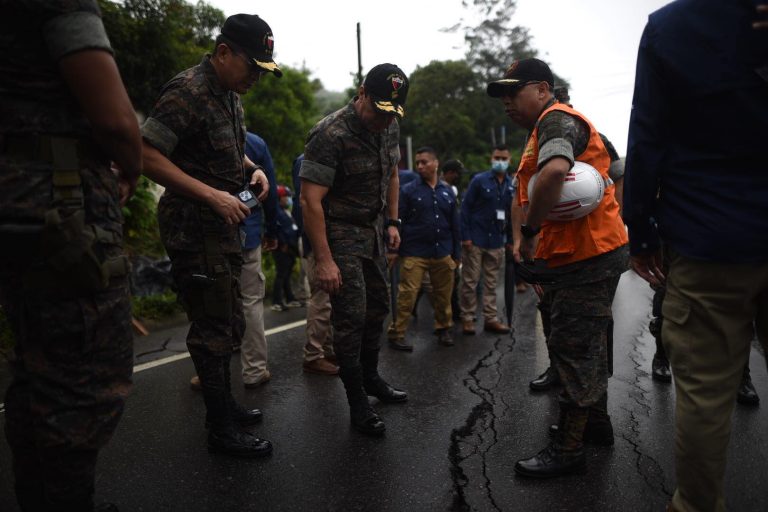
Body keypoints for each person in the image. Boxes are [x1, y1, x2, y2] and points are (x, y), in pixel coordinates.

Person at [624, 2, 768, 509]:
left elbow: (647, 136)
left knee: (705, 397)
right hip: (713, 232)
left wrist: (640, 231)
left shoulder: (674, 25)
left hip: (710, 237)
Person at [0, 1, 142, 509]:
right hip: (60, 210)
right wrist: (131, 166)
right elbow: (117, 122)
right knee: (84, 380)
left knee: (36, 364)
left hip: (19, 204)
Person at [140, 13, 280, 458]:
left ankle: (225, 405)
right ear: (224, 53)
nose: (256, 77)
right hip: (194, 226)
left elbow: (223, 145)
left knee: (230, 320)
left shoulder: (228, 94)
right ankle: (220, 428)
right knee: (213, 327)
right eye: (252, 66)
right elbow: (145, 154)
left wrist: (251, 168)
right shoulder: (188, 90)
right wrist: (213, 196)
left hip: (222, 228)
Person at [488, 58, 628, 478]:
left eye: (515, 92)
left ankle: (569, 448)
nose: (507, 102)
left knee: (573, 348)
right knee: (586, 343)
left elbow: (552, 174)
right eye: (504, 96)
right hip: (580, 256)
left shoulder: (556, 122)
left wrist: (529, 234)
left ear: (544, 89)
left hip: (587, 258)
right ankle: (595, 426)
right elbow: (530, 189)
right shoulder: (541, 129)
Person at [300, 63, 409, 436]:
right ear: (362, 92)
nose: (383, 120)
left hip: (374, 231)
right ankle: (357, 403)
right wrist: (325, 260)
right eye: (378, 110)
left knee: (379, 306)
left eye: (390, 112)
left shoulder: (390, 124)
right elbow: (310, 201)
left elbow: (393, 172)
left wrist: (393, 222)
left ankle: (371, 377)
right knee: (351, 318)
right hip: (339, 232)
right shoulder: (330, 133)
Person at [529, 87, 626, 391]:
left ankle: (593, 384)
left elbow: (619, 174)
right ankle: (558, 369)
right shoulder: (538, 135)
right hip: (550, 243)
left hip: (587, 245)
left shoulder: (584, 132)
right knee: (551, 312)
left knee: (589, 324)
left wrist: (618, 217)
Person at [387, 147, 461, 350]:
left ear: (436, 163)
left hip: (442, 251)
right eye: (418, 162)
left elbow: (455, 224)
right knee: (407, 295)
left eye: (424, 162)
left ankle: (444, 328)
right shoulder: (408, 190)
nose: (420, 166)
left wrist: (457, 253)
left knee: (443, 295)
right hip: (414, 251)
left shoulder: (447, 191)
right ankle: (397, 333)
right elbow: (397, 221)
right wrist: (393, 250)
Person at [459, 145, 515, 335]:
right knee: (470, 281)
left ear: (509, 161)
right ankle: (467, 318)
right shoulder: (479, 181)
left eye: (503, 158)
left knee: (491, 284)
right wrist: (465, 236)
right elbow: (465, 209)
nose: (500, 161)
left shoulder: (510, 185)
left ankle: (490, 318)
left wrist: (510, 240)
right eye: (497, 157)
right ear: (491, 158)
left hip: (497, 241)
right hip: (475, 239)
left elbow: (511, 214)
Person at [292, 154, 338, 375]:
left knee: (329, 297)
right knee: (321, 298)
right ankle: (313, 355)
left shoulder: (310, 159)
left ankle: (327, 349)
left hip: (321, 238)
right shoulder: (311, 160)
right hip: (318, 240)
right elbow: (306, 203)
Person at [271, 184, 301, 311]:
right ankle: (277, 301)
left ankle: (290, 298)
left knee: (286, 274)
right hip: (281, 248)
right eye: (286, 196)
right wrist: (282, 243)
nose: (288, 199)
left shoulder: (284, 211)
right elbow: (277, 230)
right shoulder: (275, 211)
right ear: (279, 197)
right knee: (281, 274)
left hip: (289, 247)